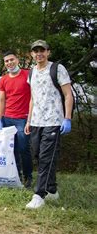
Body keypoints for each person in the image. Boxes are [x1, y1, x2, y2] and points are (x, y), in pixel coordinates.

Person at [25, 40, 73, 209]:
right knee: (38, 155)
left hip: (54, 120)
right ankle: (52, 190)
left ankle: (39, 194)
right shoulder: (31, 72)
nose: (39, 54)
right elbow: (33, 98)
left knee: (46, 157)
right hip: (37, 121)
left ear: (48, 52)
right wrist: (29, 120)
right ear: (32, 54)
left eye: (42, 50)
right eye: (35, 51)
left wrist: (67, 118)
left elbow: (68, 94)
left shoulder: (57, 69)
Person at [0, 50, 33, 188]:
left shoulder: (28, 74)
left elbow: (34, 97)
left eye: (11, 60)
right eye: (6, 61)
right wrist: (0, 119)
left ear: (17, 60)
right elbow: (1, 100)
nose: (9, 63)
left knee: (24, 149)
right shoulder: (4, 79)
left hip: (23, 119)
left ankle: (28, 176)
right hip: (7, 118)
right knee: (12, 150)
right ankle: (15, 174)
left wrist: (30, 119)